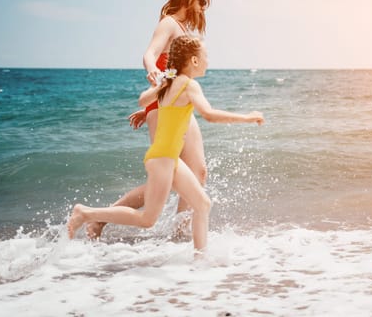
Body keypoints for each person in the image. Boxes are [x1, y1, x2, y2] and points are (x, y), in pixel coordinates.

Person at [67, 35, 265, 252]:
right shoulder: (190, 85)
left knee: (202, 204)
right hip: (163, 158)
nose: (208, 61)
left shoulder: (170, 83)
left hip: (166, 157)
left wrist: (163, 81)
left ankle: (201, 260)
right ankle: (86, 213)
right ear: (194, 61)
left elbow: (143, 100)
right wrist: (247, 117)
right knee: (147, 219)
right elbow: (208, 114)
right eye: (205, 56)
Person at [86, 0, 211, 239]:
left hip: (174, 106)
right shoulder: (168, 24)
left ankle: (180, 232)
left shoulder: (183, 30)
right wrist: (153, 71)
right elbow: (150, 54)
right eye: (200, 0)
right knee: (165, 178)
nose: (202, 7)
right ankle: (98, 218)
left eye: (205, 2)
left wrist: (150, 107)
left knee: (198, 172)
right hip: (164, 109)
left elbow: (175, 77)